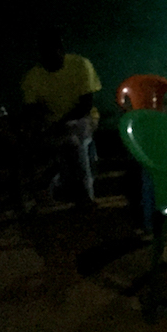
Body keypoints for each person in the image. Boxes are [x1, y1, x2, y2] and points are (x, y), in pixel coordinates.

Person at [20, 26, 102, 208]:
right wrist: (36, 128)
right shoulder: (33, 76)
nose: (49, 56)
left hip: (82, 118)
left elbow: (85, 106)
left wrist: (59, 124)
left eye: (53, 50)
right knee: (57, 143)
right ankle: (63, 188)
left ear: (61, 49)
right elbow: (31, 111)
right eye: (44, 52)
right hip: (53, 124)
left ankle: (84, 193)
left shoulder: (80, 65)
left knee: (74, 138)